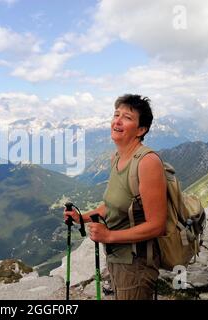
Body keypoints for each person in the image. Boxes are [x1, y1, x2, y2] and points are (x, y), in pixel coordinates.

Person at [64, 94, 167, 300]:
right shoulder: (117, 157)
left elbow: (157, 225)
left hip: (136, 263)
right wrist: (82, 217)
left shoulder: (147, 162)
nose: (117, 121)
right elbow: (111, 204)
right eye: (116, 114)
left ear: (141, 130)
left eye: (127, 117)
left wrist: (109, 236)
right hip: (117, 257)